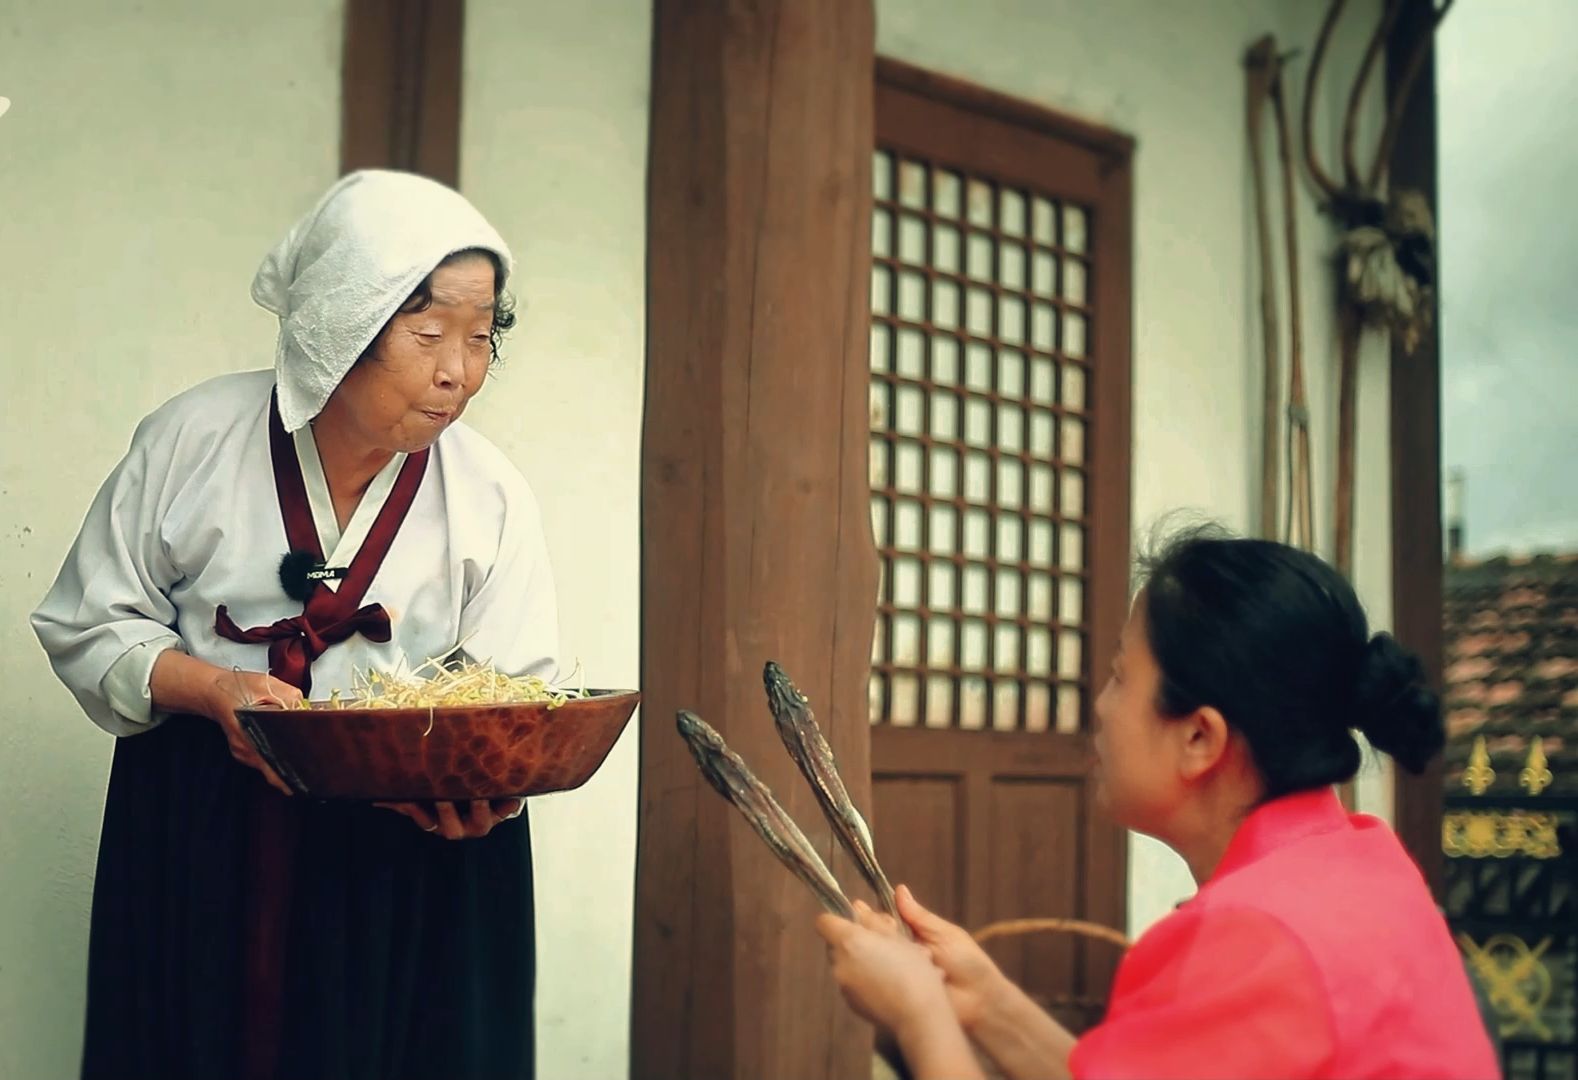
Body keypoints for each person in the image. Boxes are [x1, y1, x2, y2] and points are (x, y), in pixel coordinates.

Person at [32, 169, 560, 1080]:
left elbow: (517, 689)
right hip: (203, 829)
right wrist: (212, 688)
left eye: (481, 339)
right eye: (429, 333)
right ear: (338, 322)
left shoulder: (489, 491)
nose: (457, 372)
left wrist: (488, 793)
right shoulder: (193, 438)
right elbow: (90, 623)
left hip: (409, 853)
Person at [817, 528, 1500, 1080]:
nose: (1102, 706)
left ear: (1200, 736)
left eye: (1120, 675)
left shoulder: (1251, 939)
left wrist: (916, 1015)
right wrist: (987, 1002)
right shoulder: (1363, 865)